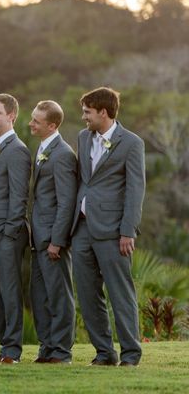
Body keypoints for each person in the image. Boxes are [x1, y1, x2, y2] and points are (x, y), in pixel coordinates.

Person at [71, 87, 145, 367]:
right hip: (81, 228)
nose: (83, 117)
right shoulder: (82, 137)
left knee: (120, 293)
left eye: (87, 112)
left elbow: (135, 189)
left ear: (103, 112)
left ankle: (130, 354)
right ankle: (104, 353)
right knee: (88, 295)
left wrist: (128, 230)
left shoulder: (131, 143)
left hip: (114, 231)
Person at [0, 93, 31, 364]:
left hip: (6, 236)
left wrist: (7, 233)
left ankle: (13, 350)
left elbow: (19, 197)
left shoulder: (17, 150)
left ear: (11, 116)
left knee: (10, 293)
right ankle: (4, 347)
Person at [28, 101, 77, 364]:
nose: (31, 123)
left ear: (52, 125)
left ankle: (61, 351)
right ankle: (46, 347)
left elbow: (67, 202)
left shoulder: (63, 154)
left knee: (59, 296)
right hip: (37, 238)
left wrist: (57, 241)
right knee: (40, 296)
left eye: (36, 121)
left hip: (51, 240)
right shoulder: (43, 148)